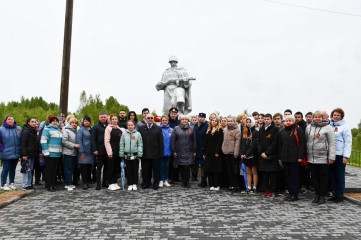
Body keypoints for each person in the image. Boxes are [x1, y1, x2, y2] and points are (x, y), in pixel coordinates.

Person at [305, 111, 336, 204]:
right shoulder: (309, 127)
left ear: (322, 118)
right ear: (313, 118)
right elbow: (306, 140)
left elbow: (332, 143)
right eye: (315, 117)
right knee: (314, 177)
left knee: (323, 177)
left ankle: (322, 196)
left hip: (323, 157)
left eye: (319, 117)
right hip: (311, 157)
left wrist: (331, 157)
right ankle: (317, 194)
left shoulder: (328, 128)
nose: (317, 118)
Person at [278, 115, 305, 201]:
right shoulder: (282, 131)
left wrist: (300, 156)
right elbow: (280, 145)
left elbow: (302, 144)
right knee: (287, 176)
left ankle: (295, 194)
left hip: (295, 158)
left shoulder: (298, 130)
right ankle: (290, 193)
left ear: (293, 121)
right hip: (285, 158)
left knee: (294, 177)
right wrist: (280, 157)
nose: (288, 122)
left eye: (290, 120)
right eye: (286, 120)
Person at [328, 108, 352, 203]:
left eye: (338, 115)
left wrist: (346, 156)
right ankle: (335, 193)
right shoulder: (330, 126)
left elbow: (348, 142)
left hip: (340, 155)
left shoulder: (345, 127)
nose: (336, 116)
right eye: (334, 115)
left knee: (340, 176)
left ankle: (340, 195)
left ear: (341, 116)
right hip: (331, 154)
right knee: (332, 175)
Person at [138, 114, 164, 190]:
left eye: (151, 118)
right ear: (145, 119)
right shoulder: (141, 128)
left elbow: (161, 142)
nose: (150, 119)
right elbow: (139, 141)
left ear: (153, 119)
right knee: (145, 170)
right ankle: (146, 183)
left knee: (156, 170)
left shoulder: (158, 128)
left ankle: (156, 183)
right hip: (145, 153)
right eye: (148, 118)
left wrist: (160, 152)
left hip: (155, 154)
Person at [257, 113, 279, 198]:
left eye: (268, 119)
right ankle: (266, 190)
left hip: (271, 156)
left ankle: (272, 190)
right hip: (262, 155)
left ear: (271, 120)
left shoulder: (275, 129)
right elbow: (258, 142)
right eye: (265, 119)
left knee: (272, 175)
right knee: (265, 174)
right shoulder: (261, 129)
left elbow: (275, 143)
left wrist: (267, 153)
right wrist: (261, 152)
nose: (266, 121)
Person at [171, 115, 197, 188]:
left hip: (189, 151)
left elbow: (194, 140)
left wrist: (194, 151)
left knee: (188, 166)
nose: (184, 121)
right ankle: (183, 181)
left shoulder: (192, 129)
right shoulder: (176, 129)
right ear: (180, 120)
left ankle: (187, 182)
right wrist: (174, 151)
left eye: (186, 119)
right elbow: (173, 140)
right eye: (183, 119)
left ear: (188, 120)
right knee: (182, 166)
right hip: (179, 151)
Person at [119, 120, 143, 191]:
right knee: (128, 170)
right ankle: (130, 183)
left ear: (134, 126)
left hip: (135, 155)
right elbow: (122, 144)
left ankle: (134, 183)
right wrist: (121, 153)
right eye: (129, 125)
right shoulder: (124, 134)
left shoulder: (138, 134)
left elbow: (140, 144)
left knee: (135, 170)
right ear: (127, 126)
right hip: (126, 156)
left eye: (131, 125)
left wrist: (140, 153)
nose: (130, 126)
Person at [41, 116, 62, 192]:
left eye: (57, 121)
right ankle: (48, 185)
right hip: (50, 154)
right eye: (53, 121)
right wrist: (46, 152)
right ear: (50, 122)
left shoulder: (59, 130)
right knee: (49, 170)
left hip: (58, 153)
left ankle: (53, 184)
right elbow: (43, 141)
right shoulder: (47, 129)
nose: (55, 122)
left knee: (55, 170)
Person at [0, 115, 22, 191]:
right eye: (9, 119)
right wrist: (2, 149)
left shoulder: (18, 129)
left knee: (13, 169)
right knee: (5, 169)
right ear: (5, 120)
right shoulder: (1, 129)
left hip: (16, 153)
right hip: (6, 153)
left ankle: (11, 183)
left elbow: (21, 140)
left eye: (12, 119)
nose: (11, 120)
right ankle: (3, 184)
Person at [203, 116, 224, 191]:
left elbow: (220, 142)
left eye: (215, 121)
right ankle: (211, 184)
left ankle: (216, 184)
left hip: (216, 153)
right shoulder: (208, 130)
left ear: (218, 122)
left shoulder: (220, 130)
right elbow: (206, 142)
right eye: (212, 120)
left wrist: (217, 151)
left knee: (216, 169)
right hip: (209, 153)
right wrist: (204, 153)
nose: (214, 122)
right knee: (209, 169)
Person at [221, 116, 241, 191]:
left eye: (231, 121)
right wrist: (223, 149)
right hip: (226, 153)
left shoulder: (237, 131)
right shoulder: (225, 130)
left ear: (234, 121)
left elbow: (237, 143)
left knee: (234, 170)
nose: (229, 122)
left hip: (233, 153)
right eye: (228, 121)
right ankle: (231, 184)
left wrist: (236, 153)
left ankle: (236, 185)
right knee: (228, 170)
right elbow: (224, 141)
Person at [105, 114, 124, 191]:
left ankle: (115, 182)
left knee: (116, 167)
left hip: (118, 151)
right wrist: (109, 152)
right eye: (113, 119)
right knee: (111, 167)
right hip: (111, 151)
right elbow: (107, 141)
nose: (114, 120)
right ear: (110, 120)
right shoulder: (108, 129)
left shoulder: (120, 129)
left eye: (116, 119)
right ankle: (110, 183)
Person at [240, 117, 259, 193]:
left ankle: (254, 187)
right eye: (247, 122)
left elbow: (254, 145)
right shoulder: (244, 132)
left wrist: (247, 154)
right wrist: (242, 154)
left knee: (254, 171)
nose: (248, 123)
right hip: (245, 156)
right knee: (248, 172)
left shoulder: (256, 132)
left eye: (250, 122)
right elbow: (242, 144)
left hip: (253, 155)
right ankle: (248, 187)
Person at [91, 112, 109, 190]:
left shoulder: (109, 126)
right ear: (99, 118)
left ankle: (104, 182)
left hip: (107, 150)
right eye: (101, 117)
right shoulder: (96, 126)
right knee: (99, 168)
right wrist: (95, 149)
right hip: (99, 150)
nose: (103, 118)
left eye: (104, 117)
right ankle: (98, 184)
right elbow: (93, 139)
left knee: (107, 168)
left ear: (107, 118)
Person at [76, 116, 94, 190]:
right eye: (85, 121)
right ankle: (84, 183)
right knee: (83, 168)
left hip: (91, 152)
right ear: (83, 122)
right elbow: (79, 141)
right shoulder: (81, 130)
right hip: (83, 152)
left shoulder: (92, 129)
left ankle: (88, 182)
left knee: (89, 167)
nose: (87, 122)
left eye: (88, 121)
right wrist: (81, 151)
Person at [62, 117, 80, 191]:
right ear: (70, 123)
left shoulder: (76, 131)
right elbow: (64, 141)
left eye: (75, 123)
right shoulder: (66, 130)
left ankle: (70, 182)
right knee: (68, 169)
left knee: (72, 168)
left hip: (74, 153)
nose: (74, 124)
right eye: (72, 123)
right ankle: (68, 184)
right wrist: (73, 145)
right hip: (68, 152)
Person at [20, 117, 38, 190]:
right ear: (28, 122)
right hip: (27, 154)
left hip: (32, 154)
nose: (34, 123)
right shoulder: (26, 131)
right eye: (32, 122)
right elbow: (23, 143)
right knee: (26, 169)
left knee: (30, 170)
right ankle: (25, 185)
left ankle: (29, 183)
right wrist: (24, 154)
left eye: (35, 122)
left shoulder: (33, 130)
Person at [194, 113, 209, 186]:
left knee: (204, 165)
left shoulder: (207, 126)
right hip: (197, 148)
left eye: (202, 117)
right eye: (200, 117)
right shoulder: (195, 126)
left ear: (205, 118)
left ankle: (204, 180)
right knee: (200, 164)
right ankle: (203, 180)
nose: (201, 118)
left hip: (204, 149)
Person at [159, 116, 173, 188]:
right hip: (161, 152)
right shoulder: (158, 129)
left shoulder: (171, 130)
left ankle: (166, 180)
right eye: (163, 120)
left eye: (166, 120)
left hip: (168, 151)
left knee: (167, 166)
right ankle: (161, 180)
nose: (164, 121)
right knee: (161, 166)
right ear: (161, 121)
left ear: (168, 121)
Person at [168, 107, 180, 183]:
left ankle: (176, 177)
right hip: (169, 144)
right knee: (170, 162)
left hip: (177, 144)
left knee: (177, 161)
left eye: (175, 113)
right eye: (172, 113)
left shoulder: (179, 122)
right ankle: (170, 177)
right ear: (170, 114)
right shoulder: (166, 121)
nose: (173, 115)